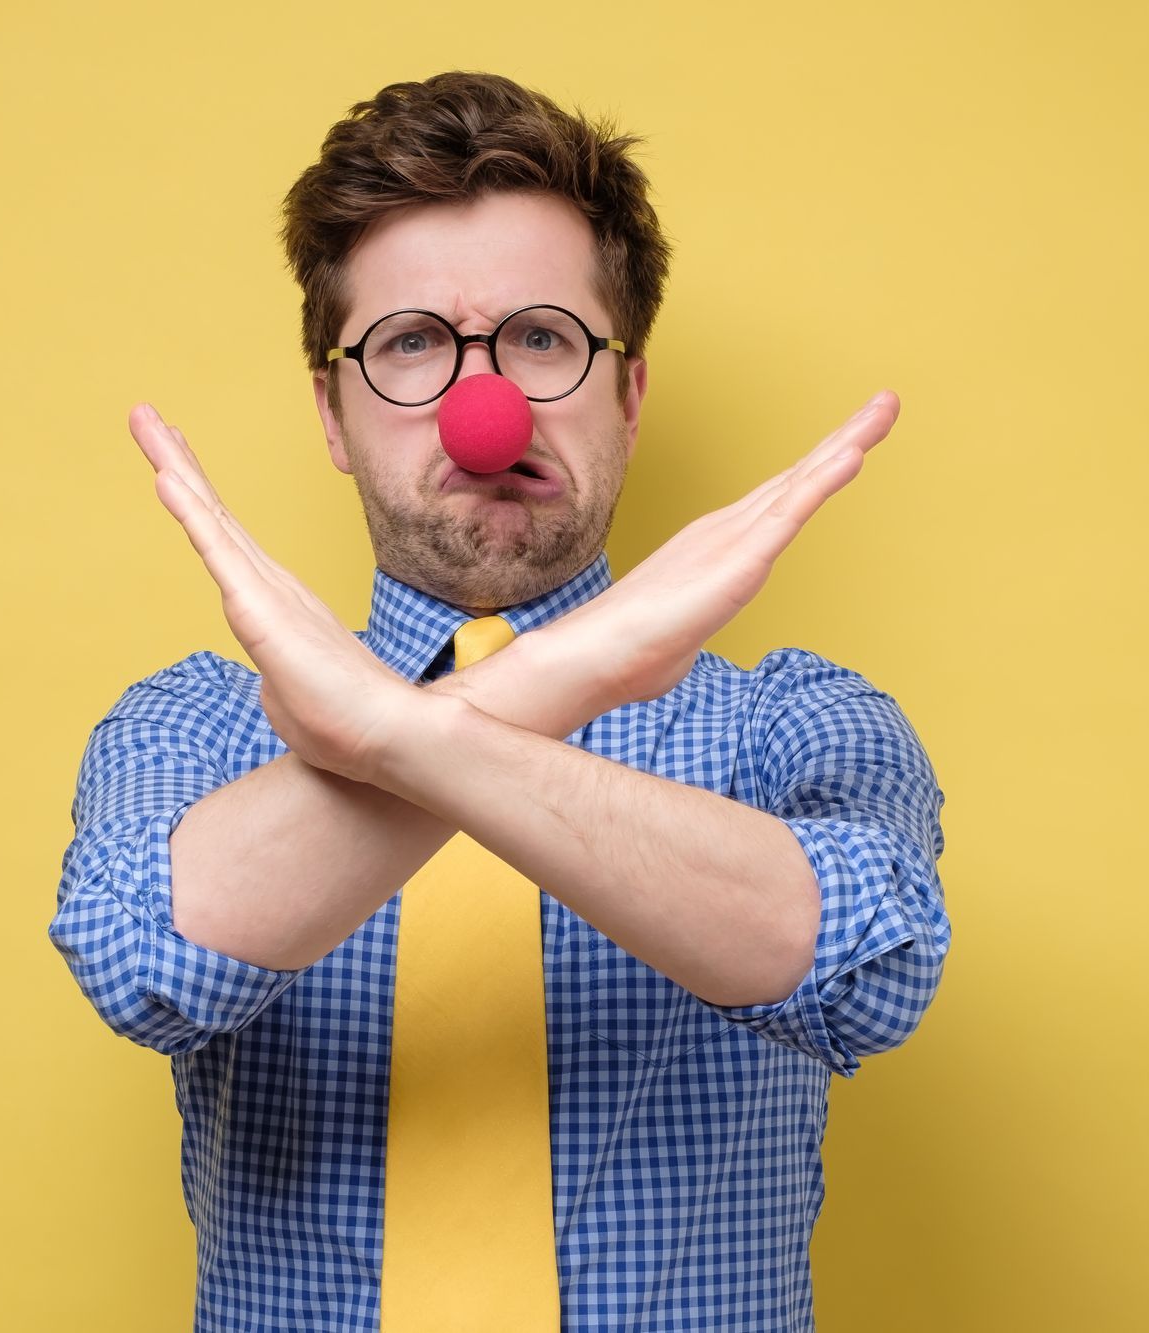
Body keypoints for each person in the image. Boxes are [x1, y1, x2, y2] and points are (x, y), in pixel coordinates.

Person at [49, 71, 951, 1332]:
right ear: (332, 409)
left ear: (627, 395)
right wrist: (556, 680)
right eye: (412, 342)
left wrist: (400, 734)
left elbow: (870, 974)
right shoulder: (198, 724)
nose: (492, 410)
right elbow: (148, 966)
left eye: (541, 336)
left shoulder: (790, 723)